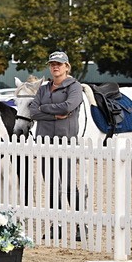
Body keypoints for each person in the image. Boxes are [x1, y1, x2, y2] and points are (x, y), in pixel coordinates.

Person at [28, 51, 83, 230]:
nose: (55, 67)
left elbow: (68, 107)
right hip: (45, 141)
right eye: (52, 64)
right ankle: (56, 224)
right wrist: (53, 115)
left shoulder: (75, 87)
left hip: (65, 141)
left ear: (67, 67)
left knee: (68, 183)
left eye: (59, 64)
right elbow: (33, 112)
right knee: (51, 184)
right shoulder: (44, 88)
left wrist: (44, 108)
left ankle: (80, 225)